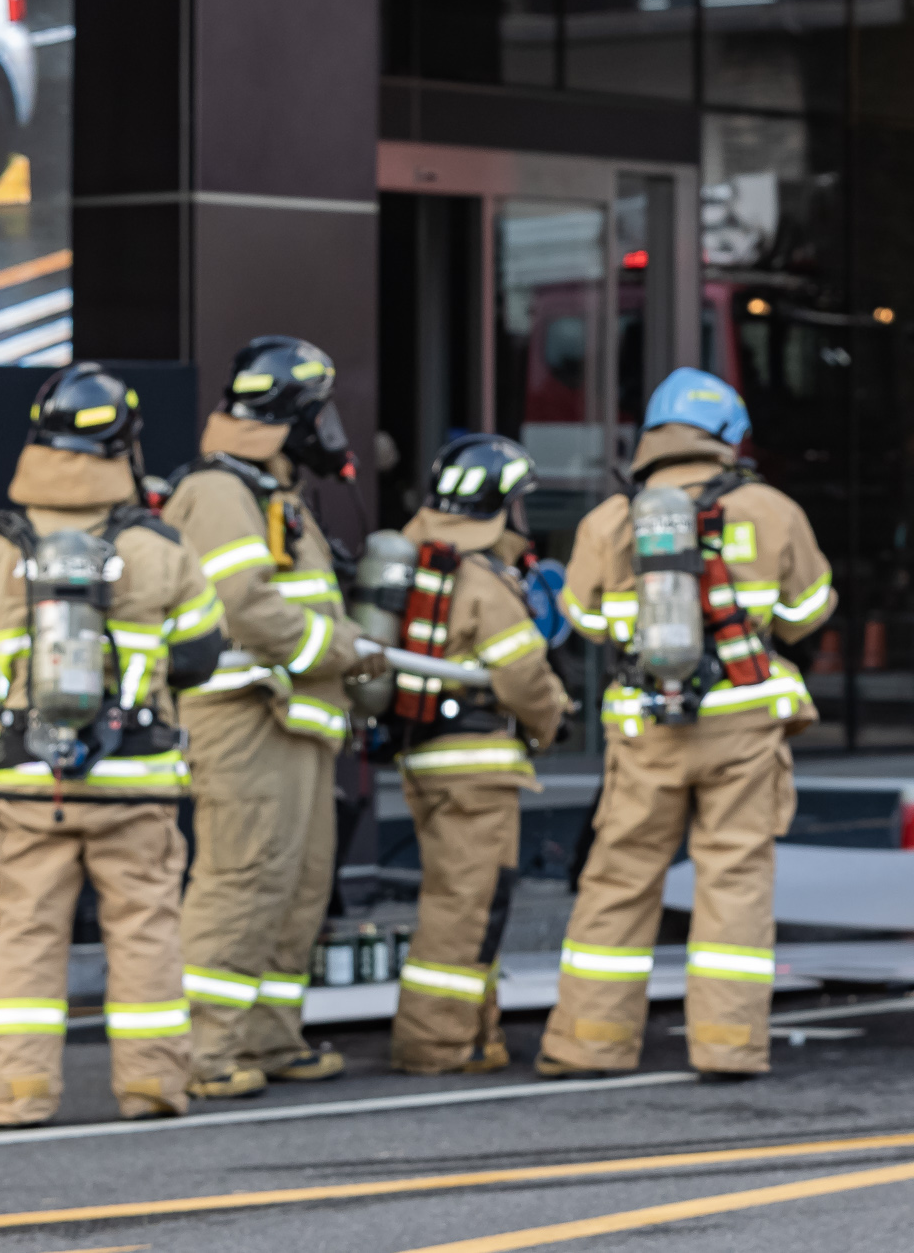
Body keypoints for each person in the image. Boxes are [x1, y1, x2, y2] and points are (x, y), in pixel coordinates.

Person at [0, 364, 227, 1126]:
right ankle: (151, 1084)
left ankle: (20, 1093)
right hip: (139, 782)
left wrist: (14, 704)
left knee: (26, 931)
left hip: (29, 784)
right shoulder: (160, 547)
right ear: (124, 444)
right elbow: (201, 654)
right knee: (146, 928)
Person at [538, 368, 834, 1081]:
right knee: (733, 877)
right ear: (729, 435)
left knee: (618, 879)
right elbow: (809, 610)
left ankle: (589, 1042)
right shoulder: (770, 508)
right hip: (743, 721)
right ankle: (728, 1045)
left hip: (645, 726)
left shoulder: (611, 518)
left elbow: (582, 618)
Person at [164, 337, 376, 1097]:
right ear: (293, 415)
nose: (330, 430)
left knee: (297, 883)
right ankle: (202, 1050)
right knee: (243, 878)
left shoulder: (268, 492)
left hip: (292, 720)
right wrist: (344, 649)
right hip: (245, 716)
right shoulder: (221, 493)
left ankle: (269, 1036)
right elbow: (244, 605)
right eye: (319, 413)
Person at [386, 432, 572, 1074]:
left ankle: (475, 1033)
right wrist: (552, 721)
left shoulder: (416, 556)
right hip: (479, 768)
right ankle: (436, 1043)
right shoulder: (483, 578)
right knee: (466, 908)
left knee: (462, 899)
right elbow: (523, 674)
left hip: (426, 758)